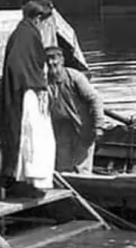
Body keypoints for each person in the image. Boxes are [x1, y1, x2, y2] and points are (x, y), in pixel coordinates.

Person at [0, 0, 56, 195]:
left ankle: (29, 179)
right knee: (33, 137)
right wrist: (37, 84)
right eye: (45, 20)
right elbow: (17, 63)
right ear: (38, 18)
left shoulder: (23, 32)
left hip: (27, 90)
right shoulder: (27, 34)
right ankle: (31, 180)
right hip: (27, 94)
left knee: (34, 138)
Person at [45, 46, 104, 174]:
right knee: (63, 169)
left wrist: (98, 126)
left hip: (82, 130)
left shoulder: (75, 77)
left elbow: (95, 99)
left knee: (82, 170)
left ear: (61, 60)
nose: (51, 63)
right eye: (47, 60)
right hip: (60, 133)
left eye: (53, 58)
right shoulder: (43, 82)